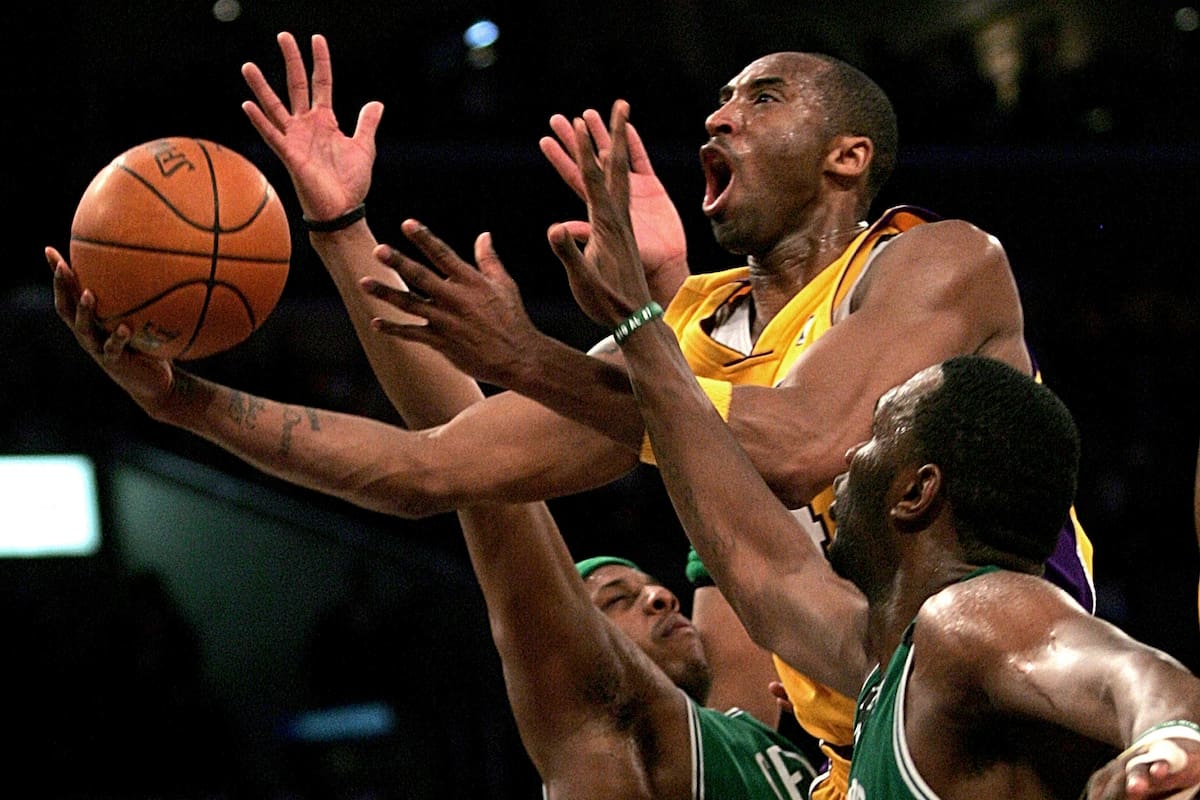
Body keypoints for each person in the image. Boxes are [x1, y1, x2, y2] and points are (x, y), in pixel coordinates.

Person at [49, 32, 818, 799]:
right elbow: (459, 458)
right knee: (493, 488)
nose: (658, 596)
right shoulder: (604, 725)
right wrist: (340, 236)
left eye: (647, 589)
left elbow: (714, 482)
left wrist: (666, 290)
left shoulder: (747, 734)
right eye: (615, 602)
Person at [534, 131, 1200, 792]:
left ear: (916, 493)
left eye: (875, 436)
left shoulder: (973, 618)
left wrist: (1171, 736)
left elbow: (1130, 674)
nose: (849, 453)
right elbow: (756, 558)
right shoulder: (876, 660)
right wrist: (628, 329)